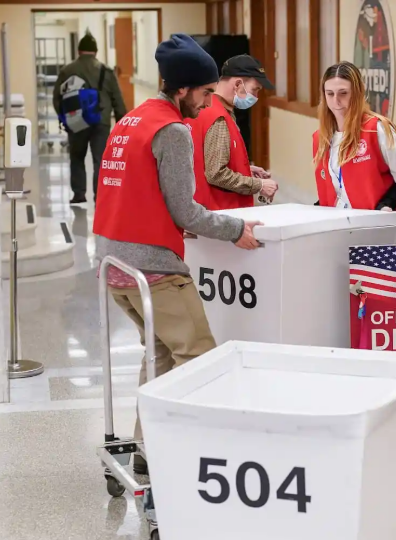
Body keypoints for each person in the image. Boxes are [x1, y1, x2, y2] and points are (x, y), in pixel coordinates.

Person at [93, 33, 262, 475]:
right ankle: (194, 460)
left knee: (161, 355)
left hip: (114, 266)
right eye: (206, 92)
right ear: (184, 89)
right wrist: (235, 228)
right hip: (154, 269)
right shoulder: (173, 130)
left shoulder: (131, 120)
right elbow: (184, 209)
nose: (208, 103)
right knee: (201, 359)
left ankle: (148, 447)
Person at [312, 61, 396, 221]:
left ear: (357, 93)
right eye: (330, 94)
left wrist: (387, 204)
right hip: (342, 222)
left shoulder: (376, 129)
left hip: (376, 222)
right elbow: (334, 186)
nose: (336, 101)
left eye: (343, 93)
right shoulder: (321, 137)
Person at [187, 54, 278, 209]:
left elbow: (207, 160)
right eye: (254, 90)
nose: (256, 97)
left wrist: (244, 169)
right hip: (219, 211)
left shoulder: (202, 108)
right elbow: (216, 174)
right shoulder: (218, 118)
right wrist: (259, 185)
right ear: (237, 84)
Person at [53, 33, 127, 205]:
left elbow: (57, 97)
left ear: (79, 50)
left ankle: (79, 194)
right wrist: (122, 124)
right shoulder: (106, 70)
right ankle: (100, 195)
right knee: (100, 159)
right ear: (96, 51)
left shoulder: (67, 70)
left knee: (77, 157)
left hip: (76, 120)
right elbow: (117, 99)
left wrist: (64, 118)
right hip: (100, 121)